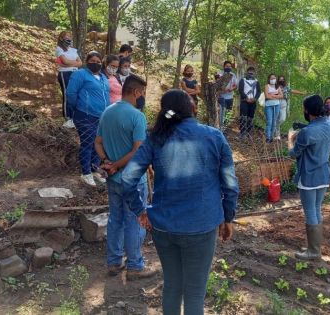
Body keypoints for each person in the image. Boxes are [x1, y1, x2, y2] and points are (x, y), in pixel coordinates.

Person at [122, 89, 239, 315]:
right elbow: (230, 183)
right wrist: (228, 217)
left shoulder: (155, 138)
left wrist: (140, 210)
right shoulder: (214, 136)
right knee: (195, 293)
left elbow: (128, 179)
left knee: (172, 287)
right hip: (201, 226)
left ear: (165, 111)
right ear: (192, 108)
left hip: (164, 226)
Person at [95, 74, 154, 280]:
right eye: (143, 93)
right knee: (135, 220)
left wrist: (107, 163)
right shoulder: (137, 116)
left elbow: (98, 142)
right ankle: (135, 265)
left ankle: (114, 262)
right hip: (133, 181)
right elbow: (138, 152)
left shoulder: (107, 112)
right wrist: (117, 166)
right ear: (136, 92)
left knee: (116, 219)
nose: (143, 97)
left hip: (113, 180)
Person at [289, 95, 330, 260]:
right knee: (317, 209)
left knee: (310, 212)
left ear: (307, 110)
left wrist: (290, 140)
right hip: (323, 175)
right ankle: (315, 247)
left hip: (308, 177)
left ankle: (313, 251)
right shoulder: (328, 127)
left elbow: (294, 154)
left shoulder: (306, 132)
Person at [66, 51, 110, 187]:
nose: (95, 63)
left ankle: (95, 169)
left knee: (98, 144)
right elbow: (71, 93)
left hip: (101, 117)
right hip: (85, 115)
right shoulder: (80, 74)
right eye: (93, 61)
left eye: (98, 61)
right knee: (87, 144)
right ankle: (86, 173)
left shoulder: (103, 77)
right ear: (87, 61)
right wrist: (78, 107)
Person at [55, 31, 82, 128]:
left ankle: (74, 117)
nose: (69, 38)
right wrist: (72, 62)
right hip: (65, 74)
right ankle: (68, 118)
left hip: (75, 73)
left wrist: (68, 63)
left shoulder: (73, 50)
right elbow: (64, 61)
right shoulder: (59, 49)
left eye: (70, 36)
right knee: (67, 95)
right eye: (67, 36)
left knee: (75, 95)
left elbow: (80, 63)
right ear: (61, 38)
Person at [238, 67, 260, 139]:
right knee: (243, 116)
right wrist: (246, 98)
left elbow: (259, 91)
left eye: (252, 72)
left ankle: (249, 133)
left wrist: (255, 98)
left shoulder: (257, 82)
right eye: (249, 71)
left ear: (254, 73)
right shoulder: (243, 80)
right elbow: (240, 90)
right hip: (244, 101)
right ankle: (242, 133)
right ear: (247, 72)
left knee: (251, 117)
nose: (251, 73)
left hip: (253, 102)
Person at [218, 60, 238, 129]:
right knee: (221, 112)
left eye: (229, 66)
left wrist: (231, 89)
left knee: (228, 112)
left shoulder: (233, 75)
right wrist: (223, 89)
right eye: (227, 66)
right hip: (222, 97)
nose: (228, 67)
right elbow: (217, 84)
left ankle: (225, 127)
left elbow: (235, 85)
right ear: (224, 66)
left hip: (230, 96)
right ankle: (220, 127)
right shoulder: (220, 74)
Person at [264, 74, 283, 142]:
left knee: (274, 122)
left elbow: (281, 96)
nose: (273, 79)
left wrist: (272, 95)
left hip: (277, 105)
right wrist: (276, 95)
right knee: (269, 121)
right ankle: (268, 137)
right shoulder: (267, 86)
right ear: (269, 79)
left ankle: (272, 137)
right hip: (268, 106)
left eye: (274, 78)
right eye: (271, 78)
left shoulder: (277, 87)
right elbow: (267, 96)